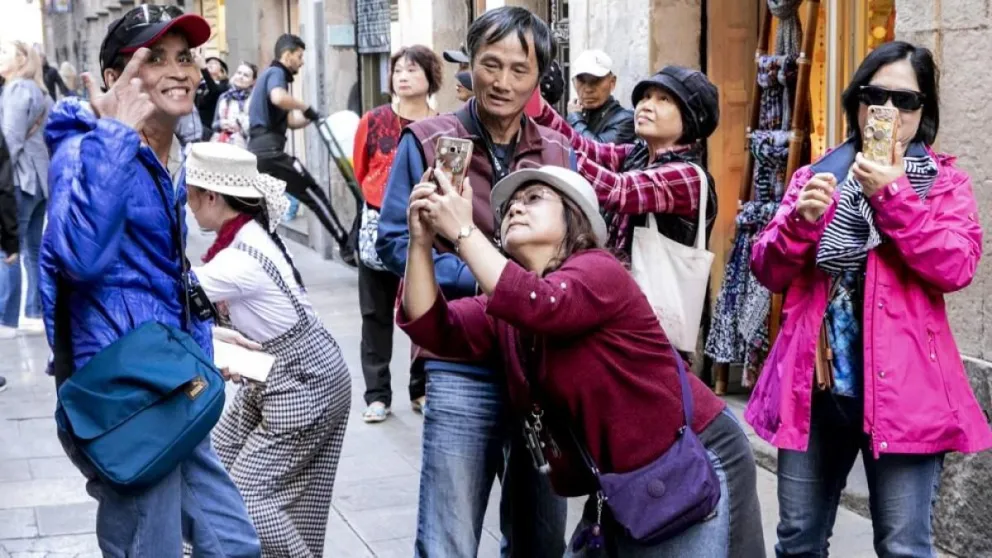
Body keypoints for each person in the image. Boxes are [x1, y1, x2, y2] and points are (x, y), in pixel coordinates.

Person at [399, 165, 765, 556]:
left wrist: (463, 232)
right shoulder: (507, 313)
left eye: (533, 198)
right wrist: (419, 242)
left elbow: (540, 304)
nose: (516, 209)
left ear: (573, 215)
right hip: (622, 483)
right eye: (509, 208)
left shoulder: (597, 269)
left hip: (689, 457)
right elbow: (430, 325)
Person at [744, 41, 992, 557]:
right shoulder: (817, 176)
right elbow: (767, 268)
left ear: (923, 113)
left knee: (903, 547)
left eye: (905, 101)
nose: (888, 112)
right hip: (816, 389)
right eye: (875, 96)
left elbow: (955, 265)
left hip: (907, 394)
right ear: (855, 102)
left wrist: (892, 196)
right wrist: (799, 223)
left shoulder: (944, 185)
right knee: (797, 541)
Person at [40, 6, 261, 555]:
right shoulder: (86, 148)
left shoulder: (165, 157)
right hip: (125, 401)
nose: (179, 70)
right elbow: (81, 259)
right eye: (154, 58)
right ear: (114, 79)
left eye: (184, 57)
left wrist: (205, 340)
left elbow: (144, 285)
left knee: (233, 544)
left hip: (168, 386)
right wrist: (114, 133)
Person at [377, 7, 569, 556]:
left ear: (538, 79)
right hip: (460, 355)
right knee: (448, 533)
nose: (503, 82)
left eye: (519, 70)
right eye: (491, 64)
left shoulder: (558, 151)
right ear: (469, 64)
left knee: (540, 536)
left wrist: (523, 283)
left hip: (538, 360)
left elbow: (573, 248)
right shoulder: (428, 141)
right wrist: (480, 276)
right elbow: (392, 241)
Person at [185, 142, 351, 557]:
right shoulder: (249, 231)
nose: (186, 205)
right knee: (213, 472)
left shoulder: (237, 259)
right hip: (281, 373)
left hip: (303, 382)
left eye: (189, 194)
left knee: (247, 499)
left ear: (211, 196)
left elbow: (168, 300)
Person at [531, 66, 719, 258]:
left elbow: (618, 190)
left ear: (691, 118)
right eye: (646, 96)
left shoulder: (688, 176)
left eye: (664, 99)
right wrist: (537, 107)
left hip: (652, 287)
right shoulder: (638, 154)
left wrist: (555, 149)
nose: (646, 105)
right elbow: (586, 148)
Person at [354, 45, 439, 422]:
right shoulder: (373, 121)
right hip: (377, 226)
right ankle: (377, 395)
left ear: (429, 79)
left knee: (424, 308)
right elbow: (361, 170)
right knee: (375, 313)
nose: (403, 77)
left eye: (412, 70)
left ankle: (421, 388)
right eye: (398, 70)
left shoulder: (442, 125)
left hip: (424, 229)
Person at [248, 33, 349, 258]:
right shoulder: (276, 73)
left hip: (259, 153)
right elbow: (278, 98)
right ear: (287, 55)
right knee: (313, 194)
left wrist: (312, 117)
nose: (302, 62)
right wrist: (305, 106)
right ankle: (345, 243)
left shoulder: (267, 75)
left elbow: (289, 122)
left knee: (263, 211)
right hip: (270, 153)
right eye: (300, 56)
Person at [0, 40, 53, 337]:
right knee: (32, 249)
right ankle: (35, 311)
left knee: (9, 249)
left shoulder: (18, 89)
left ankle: (6, 319)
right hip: (39, 181)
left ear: (21, 59)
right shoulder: (38, 90)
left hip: (20, 180)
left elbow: (9, 140)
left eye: (4, 51)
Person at [566, 49, 635, 145]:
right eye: (581, 80)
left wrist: (575, 119)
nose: (588, 89)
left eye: (595, 81)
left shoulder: (626, 120)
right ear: (573, 82)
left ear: (612, 82)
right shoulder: (576, 116)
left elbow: (596, 151)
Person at [211, 61, 257, 147]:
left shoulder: (254, 99)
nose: (241, 77)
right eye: (239, 73)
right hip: (221, 143)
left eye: (246, 75)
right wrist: (222, 124)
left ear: (253, 81)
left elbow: (256, 129)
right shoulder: (224, 97)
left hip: (243, 145)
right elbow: (214, 124)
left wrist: (240, 126)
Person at [196, 54, 230, 140]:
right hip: (195, 127)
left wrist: (204, 69)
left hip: (211, 129)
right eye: (208, 63)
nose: (210, 64)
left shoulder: (224, 85)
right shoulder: (200, 84)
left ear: (221, 70)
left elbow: (214, 91)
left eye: (214, 63)